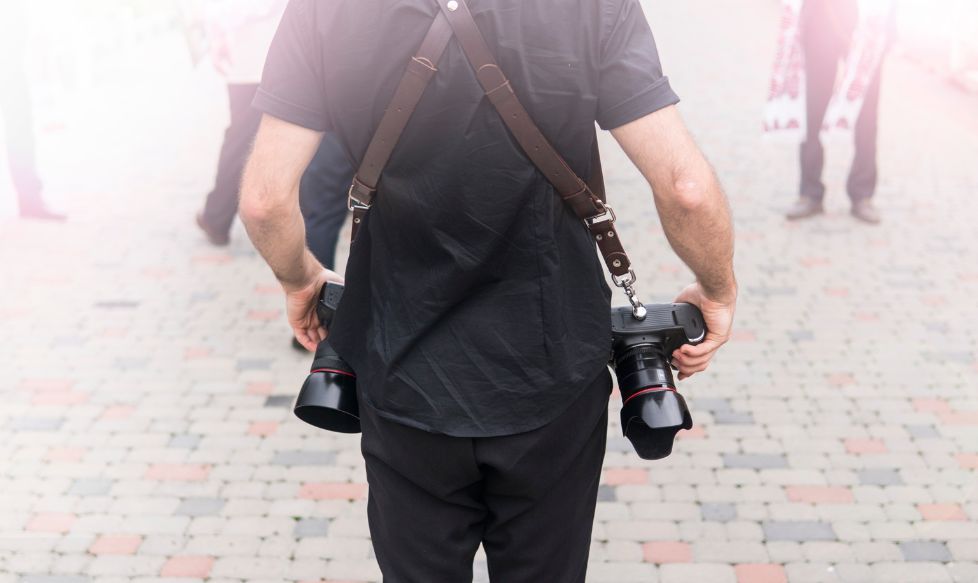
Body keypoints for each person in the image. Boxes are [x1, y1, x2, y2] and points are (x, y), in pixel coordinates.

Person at [240, 0, 737, 580]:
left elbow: (264, 199)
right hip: (552, 372)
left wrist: (299, 276)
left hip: (400, 369)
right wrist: (717, 288)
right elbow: (686, 188)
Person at [785, 0, 892, 223]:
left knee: (866, 110)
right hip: (822, 15)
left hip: (867, 19)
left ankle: (862, 195)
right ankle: (810, 192)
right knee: (814, 105)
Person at [0, 0, 65, 221]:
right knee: (19, 121)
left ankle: (30, 199)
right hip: (7, 49)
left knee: (20, 121)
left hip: (10, 49)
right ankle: (29, 199)